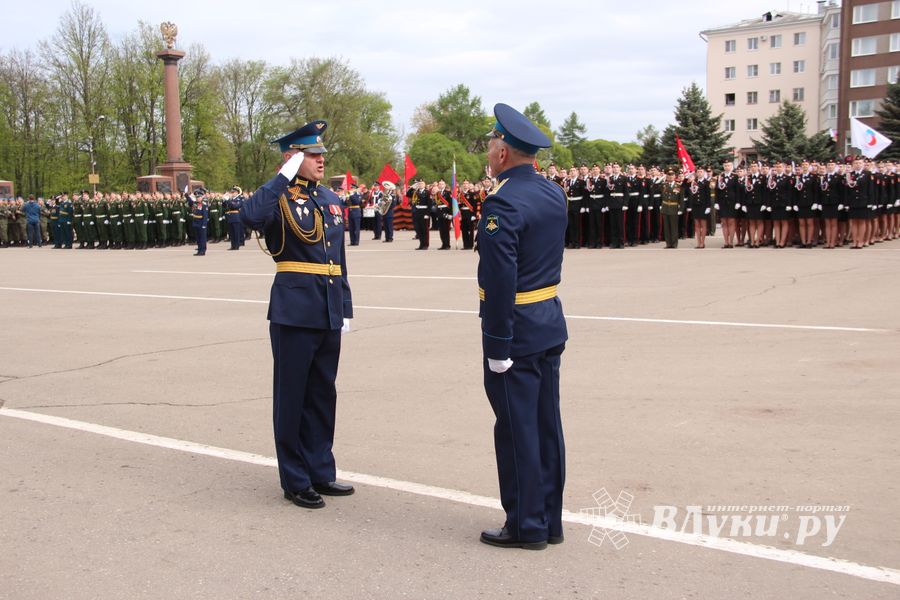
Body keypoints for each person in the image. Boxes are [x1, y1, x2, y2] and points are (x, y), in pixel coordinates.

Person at [239, 120, 355, 509]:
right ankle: (295, 477)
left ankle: (321, 470)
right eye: (312, 154)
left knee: (323, 394)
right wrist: (280, 178)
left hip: (327, 308)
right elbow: (248, 218)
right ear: (293, 158)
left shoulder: (330, 200)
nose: (321, 160)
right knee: (292, 396)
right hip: (293, 311)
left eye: (322, 153)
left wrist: (346, 306)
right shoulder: (279, 198)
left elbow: (338, 259)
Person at [477, 103, 568, 550]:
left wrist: (496, 343)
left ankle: (525, 525)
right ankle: (549, 521)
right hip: (549, 323)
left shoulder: (503, 202)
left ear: (503, 153)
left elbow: (499, 280)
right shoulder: (553, 193)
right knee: (546, 425)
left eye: (492, 146)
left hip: (515, 331)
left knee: (516, 430)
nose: (489, 154)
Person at [190, 188, 209, 256]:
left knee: (202, 238)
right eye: (197, 197)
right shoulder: (195, 204)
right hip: (196, 222)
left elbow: (205, 215)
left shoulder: (204, 204)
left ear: (202, 197)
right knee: (198, 238)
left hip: (201, 222)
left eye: (199, 197)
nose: (198, 198)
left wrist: (204, 224)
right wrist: (187, 195)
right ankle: (199, 250)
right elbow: (190, 202)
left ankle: (203, 250)